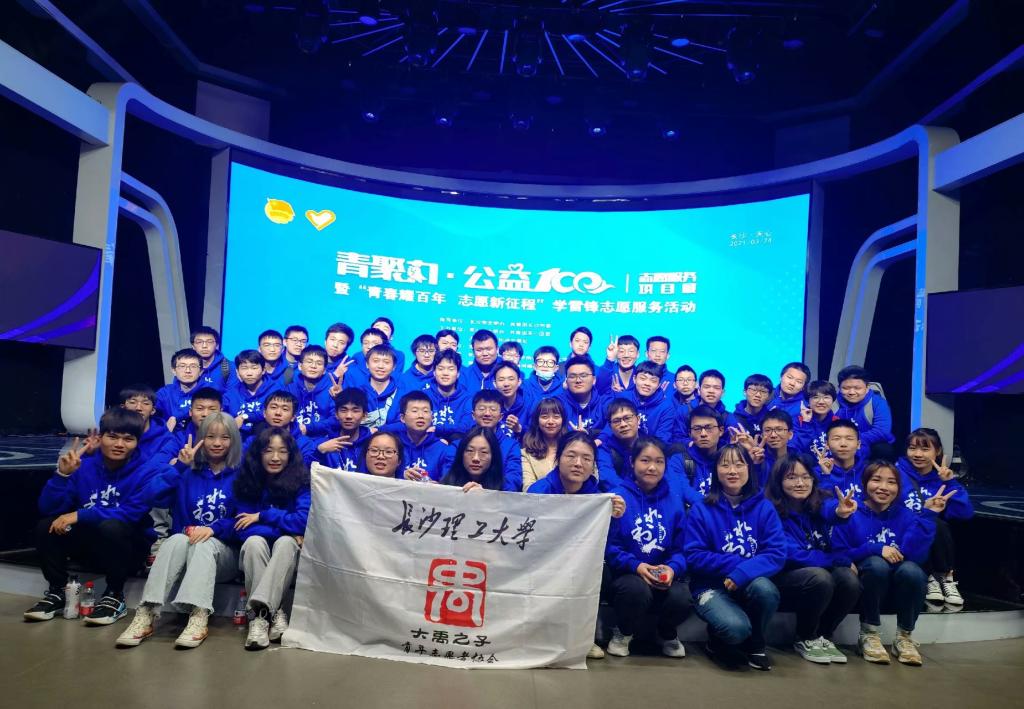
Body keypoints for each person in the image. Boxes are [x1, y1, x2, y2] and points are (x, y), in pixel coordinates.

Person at [116, 412, 242, 649]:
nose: (217, 443)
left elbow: (245, 521)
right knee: (174, 539)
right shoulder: (186, 471)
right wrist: (179, 468)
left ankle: (198, 615)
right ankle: (146, 613)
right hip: (185, 550)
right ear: (200, 438)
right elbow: (150, 496)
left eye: (225, 437)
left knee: (204, 544)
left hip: (225, 556)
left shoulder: (243, 474)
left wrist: (214, 529)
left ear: (234, 440)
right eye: (210, 436)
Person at [25, 409, 159, 624]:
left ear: (137, 442)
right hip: (90, 544)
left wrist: (81, 514)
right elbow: (48, 508)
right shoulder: (83, 466)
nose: (119, 444)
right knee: (46, 526)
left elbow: (130, 513)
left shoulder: (147, 471)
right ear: (100, 437)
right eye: (112, 437)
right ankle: (58, 591)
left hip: (129, 548)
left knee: (113, 526)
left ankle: (115, 595)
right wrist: (62, 475)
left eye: (128, 439)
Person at [832, 461, 953, 666]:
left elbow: (916, 555)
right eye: (876, 480)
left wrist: (928, 516)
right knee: (876, 564)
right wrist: (875, 548)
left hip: (897, 578)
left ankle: (904, 637)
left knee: (913, 571)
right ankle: (868, 634)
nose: (883, 487)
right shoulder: (851, 511)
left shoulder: (905, 515)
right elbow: (838, 553)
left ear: (898, 487)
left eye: (891, 482)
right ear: (865, 483)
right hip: (867, 578)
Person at [685, 445, 786, 670]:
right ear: (716, 471)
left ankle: (756, 644)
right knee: (735, 629)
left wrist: (743, 573)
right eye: (725, 465)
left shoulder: (764, 507)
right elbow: (694, 556)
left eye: (739, 464)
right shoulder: (702, 508)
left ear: (749, 469)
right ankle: (717, 640)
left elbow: (776, 553)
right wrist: (737, 565)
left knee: (766, 590)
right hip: (710, 586)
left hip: (750, 582)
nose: (732, 471)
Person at [528, 432, 626, 661]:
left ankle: (581, 638)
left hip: (580, 565)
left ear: (593, 465)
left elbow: (606, 543)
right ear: (558, 458)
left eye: (586, 458)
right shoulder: (539, 492)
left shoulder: (599, 499)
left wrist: (615, 518)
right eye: (571, 456)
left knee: (600, 572)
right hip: (544, 562)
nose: (578, 463)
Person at [765, 454, 861, 664]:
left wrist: (840, 512)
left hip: (816, 572)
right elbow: (792, 555)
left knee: (849, 580)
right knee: (821, 577)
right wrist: (838, 560)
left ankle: (824, 635)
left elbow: (829, 509)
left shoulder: (817, 503)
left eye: (806, 477)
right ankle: (806, 637)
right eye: (791, 477)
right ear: (778, 481)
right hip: (782, 577)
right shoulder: (769, 510)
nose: (800, 483)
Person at [605, 436, 692, 659]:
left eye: (659, 461)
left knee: (682, 597)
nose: (652, 467)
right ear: (632, 462)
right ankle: (624, 632)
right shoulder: (618, 497)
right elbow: (609, 547)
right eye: (645, 460)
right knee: (635, 590)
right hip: (627, 574)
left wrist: (672, 568)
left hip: (663, 572)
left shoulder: (674, 500)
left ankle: (666, 632)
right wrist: (636, 566)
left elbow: (681, 549)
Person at [234, 427, 312, 650]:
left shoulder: (301, 481)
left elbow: (303, 522)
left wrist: (263, 516)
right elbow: (242, 528)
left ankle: (258, 617)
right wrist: (286, 529)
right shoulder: (247, 480)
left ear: (291, 455)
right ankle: (274, 612)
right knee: (254, 542)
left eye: (282, 451)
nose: (275, 457)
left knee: (285, 544)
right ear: (258, 453)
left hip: (288, 556)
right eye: (268, 451)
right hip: (253, 552)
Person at [895, 428, 973, 606]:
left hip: (931, 534)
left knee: (936, 524)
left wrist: (949, 482)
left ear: (937, 451)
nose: (918, 454)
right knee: (926, 522)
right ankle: (931, 578)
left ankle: (944, 578)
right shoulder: (895, 472)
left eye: (925, 449)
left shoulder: (941, 478)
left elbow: (965, 513)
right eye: (912, 448)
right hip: (902, 532)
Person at [466, 390, 523, 491]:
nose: (487, 413)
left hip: (497, 497)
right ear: (473, 415)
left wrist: (485, 491)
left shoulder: (511, 446)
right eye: (482, 409)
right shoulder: (461, 442)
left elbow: (514, 479)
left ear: (501, 417)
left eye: (493, 409)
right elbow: (452, 473)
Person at [835, 365, 895, 459]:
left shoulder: (878, 402)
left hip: (871, 444)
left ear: (867, 388)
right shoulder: (833, 402)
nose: (851, 392)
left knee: (884, 449)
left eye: (857, 388)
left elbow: (882, 431)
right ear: (839, 387)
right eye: (846, 388)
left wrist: (852, 440)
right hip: (842, 443)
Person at [394, 392, 452, 481]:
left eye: (425, 411)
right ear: (402, 418)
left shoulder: (443, 449)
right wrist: (401, 475)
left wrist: (436, 485)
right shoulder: (394, 445)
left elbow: (448, 483)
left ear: (432, 417)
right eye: (414, 411)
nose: (420, 416)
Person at [248, 391, 318, 465]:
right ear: (264, 413)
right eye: (273, 407)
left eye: (285, 409)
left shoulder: (304, 444)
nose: (278, 413)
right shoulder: (253, 440)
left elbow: (305, 469)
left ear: (293, 417)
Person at [223, 349, 277, 438]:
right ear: (237, 372)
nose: (249, 373)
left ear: (263, 370)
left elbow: (272, 413)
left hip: (266, 440)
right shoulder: (230, 394)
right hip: (237, 440)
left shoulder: (275, 390)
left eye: (254, 368)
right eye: (244, 368)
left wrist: (244, 416)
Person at [284, 345, 335, 438]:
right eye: (309, 362)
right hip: (293, 436)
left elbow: (336, 419)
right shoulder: (290, 385)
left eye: (319, 363)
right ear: (300, 366)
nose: (313, 366)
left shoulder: (332, 389)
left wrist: (308, 428)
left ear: (324, 370)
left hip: (323, 438)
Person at [315, 389, 372, 472]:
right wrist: (319, 452)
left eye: (355, 411)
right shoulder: (324, 443)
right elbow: (306, 470)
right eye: (343, 410)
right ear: (336, 414)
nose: (349, 416)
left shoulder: (372, 443)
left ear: (364, 415)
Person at [520, 397, 568, 490]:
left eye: (556, 417)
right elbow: (528, 488)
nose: (550, 422)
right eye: (545, 417)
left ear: (563, 420)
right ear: (537, 421)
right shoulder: (526, 454)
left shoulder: (572, 449)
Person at [424, 350, 472, 440]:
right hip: (429, 444)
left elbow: (465, 427)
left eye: (451, 369)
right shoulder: (424, 396)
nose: (445, 373)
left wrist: (439, 429)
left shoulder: (467, 398)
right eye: (440, 369)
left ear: (458, 374)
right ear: (434, 372)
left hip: (457, 445)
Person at [439, 426, 506, 492]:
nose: (475, 458)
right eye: (470, 451)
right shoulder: (445, 486)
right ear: (461, 453)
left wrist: (484, 495)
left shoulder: (505, 489)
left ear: (493, 456)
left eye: (483, 452)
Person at [596, 398, 640, 494]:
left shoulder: (650, 445)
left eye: (627, 418)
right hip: (620, 497)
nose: (623, 424)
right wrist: (634, 494)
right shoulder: (604, 449)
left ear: (638, 419)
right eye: (616, 421)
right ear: (610, 426)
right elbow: (607, 478)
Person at [623, 360, 674, 441]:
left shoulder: (666, 407)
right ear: (634, 379)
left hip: (652, 447)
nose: (647, 383)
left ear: (658, 385)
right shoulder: (623, 398)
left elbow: (663, 438)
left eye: (653, 381)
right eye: (643, 378)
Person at [671, 369, 727, 443]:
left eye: (716, 388)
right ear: (699, 390)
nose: (711, 391)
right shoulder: (683, 411)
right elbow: (676, 438)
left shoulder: (728, 418)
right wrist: (691, 444)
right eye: (707, 387)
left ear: (722, 393)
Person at [814, 419, 866, 498]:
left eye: (849, 439)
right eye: (836, 438)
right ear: (827, 444)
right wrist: (826, 476)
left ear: (858, 444)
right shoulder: (816, 473)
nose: (843, 444)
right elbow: (818, 503)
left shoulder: (868, 471)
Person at [119, 384, 171, 462]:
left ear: (153, 410)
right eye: (133, 402)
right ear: (123, 407)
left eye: (146, 403)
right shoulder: (112, 434)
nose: (138, 408)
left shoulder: (165, 439)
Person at [556, 356, 608, 434]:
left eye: (583, 376)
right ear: (566, 381)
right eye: (572, 376)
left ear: (594, 380)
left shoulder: (605, 403)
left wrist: (590, 434)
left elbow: (613, 430)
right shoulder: (557, 404)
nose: (578, 380)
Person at [155, 348, 203, 430]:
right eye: (182, 366)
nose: (188, 370)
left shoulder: (209, 393)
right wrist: (164, 430)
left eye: (193, 366)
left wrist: (177, 418)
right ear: (174, 370)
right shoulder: (164, 394)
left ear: (201, 371)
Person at [357, 344, 400, 428]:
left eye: (386, 362)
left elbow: (406, 424)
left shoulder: (402, 392)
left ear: (394, 367)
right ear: (367, 364)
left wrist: (380, 431)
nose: (380, 366)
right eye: (376, 361)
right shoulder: (357, 392)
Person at [793, 380, 838, 457]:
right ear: (808, 401)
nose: (821, 402)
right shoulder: (797, 421)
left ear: (833, 400)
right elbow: (796, 449)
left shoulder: (837, 422)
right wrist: (806, 423)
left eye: (826, 397)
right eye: (815, 397)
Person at [493, 361, 534, 440]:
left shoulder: (531, 404)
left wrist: (519, 429)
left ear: (519, 382)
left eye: (511, 379)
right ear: (495, 384)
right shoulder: (489, 404)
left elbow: (537, 437)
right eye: (501, 380)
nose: (506, 384)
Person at [191, 326, 235, 391]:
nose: (204, 346)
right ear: (193, 346)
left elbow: (233, 394)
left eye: (209, 342)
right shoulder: (186, 367)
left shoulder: (230, 367)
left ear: (217, 345)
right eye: (199, 342)